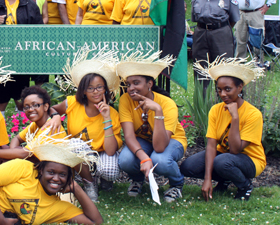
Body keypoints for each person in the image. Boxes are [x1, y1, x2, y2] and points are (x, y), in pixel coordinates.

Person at [181, 56, 266, 202]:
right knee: (188, 166)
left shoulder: (253, 114)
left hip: (250, 159)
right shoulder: (216, 110)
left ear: (240, 87)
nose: (223, 95)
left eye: (228, 89)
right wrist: (207, 179)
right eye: (219, 90)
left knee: (222, 162)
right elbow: (212, 145)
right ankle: (226, 179)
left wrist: (235, 118)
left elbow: (235, 150)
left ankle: (245, 185)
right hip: (224, 156)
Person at [50, 48, 122, 202]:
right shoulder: (72, 103)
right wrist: (56, 116)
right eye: (90, 88)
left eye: (99, 87)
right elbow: (51, 108)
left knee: (110, 170)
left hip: (102, 153)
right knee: (75, 144)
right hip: (81, 153)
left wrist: (107, 118)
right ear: (83, 91)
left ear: (105, 89)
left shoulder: (112, 114)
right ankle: (89, 183)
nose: (95, 92)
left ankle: (105, 179)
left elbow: (110, 151)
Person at [116, 51, 187, 202]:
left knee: (160, 159)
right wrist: (143, 158)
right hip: (144, 140)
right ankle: (137, 180)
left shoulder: (166, 104)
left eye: (136, 83)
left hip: (171, 140)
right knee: (126, 160)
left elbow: (160, 146)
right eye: (128, 84)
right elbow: (128, 136)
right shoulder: (125, 100)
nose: (131, 88)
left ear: (150, 84)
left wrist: (158, 111)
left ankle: (176, 184)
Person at [191, 0, 240, 91]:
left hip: (221, 33)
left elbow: (234, 18)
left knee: (223, 70)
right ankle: (203, 105)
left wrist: (219, 29)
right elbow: (195, 18)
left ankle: (223, 103)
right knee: (201, 70)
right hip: (201, 33)